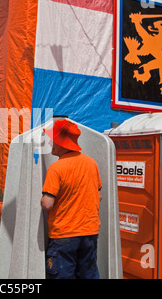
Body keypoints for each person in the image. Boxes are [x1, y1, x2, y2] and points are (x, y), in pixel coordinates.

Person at [41, 119, 102, 279]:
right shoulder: (91, 164)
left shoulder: (56, 168)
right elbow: (99, 195)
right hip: (89, 232)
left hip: (63, 235)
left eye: (52, 139)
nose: (50, 142)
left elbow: (47, 204)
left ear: (61, 142)